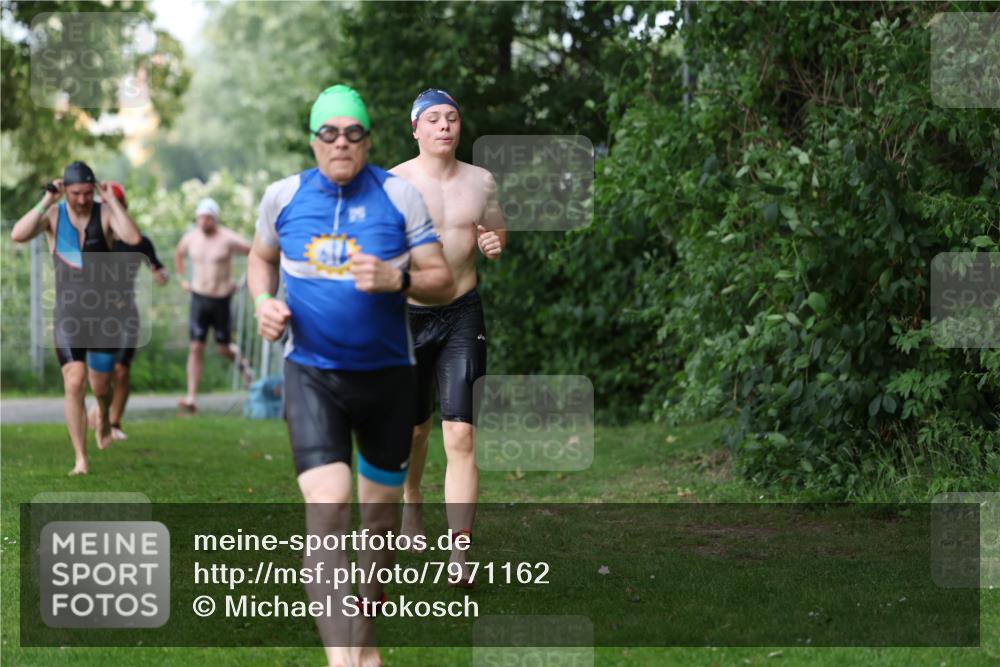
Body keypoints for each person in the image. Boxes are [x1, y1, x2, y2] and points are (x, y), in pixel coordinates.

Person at [249, 84, 453, 667]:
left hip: (388, 379)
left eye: (353, 133)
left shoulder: (400, 196)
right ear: (313, 141)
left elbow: (444, 278)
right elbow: (260, 258)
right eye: (329, 133)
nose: (341, 143)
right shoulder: (282, 198)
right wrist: (265, 301)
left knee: (379, 521)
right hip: (313, 376)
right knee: (329, 508)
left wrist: (399, 281)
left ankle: (364, 614)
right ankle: (350, 659)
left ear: (368, 141)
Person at [389, 89, 506, 585]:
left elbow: (497, 233)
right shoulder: (393, 183)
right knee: (415, 431)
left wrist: (494, 241)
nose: (444, 127)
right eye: (433, 119)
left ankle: (460, 555)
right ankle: (412, 496)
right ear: (415, 129)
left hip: (462, 314)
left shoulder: (481, 181)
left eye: (452, 119)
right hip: (409, 318)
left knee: (460, 434)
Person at [10, 161, 142, 474]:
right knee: (74, 381)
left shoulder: (106, 214)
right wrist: (46, 200)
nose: (82, 200)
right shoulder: (54, 217)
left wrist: (109, 199)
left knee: (100, 387)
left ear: (93, 189)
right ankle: (81, 457)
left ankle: (105, 416)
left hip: (103, 317)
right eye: (75, 193)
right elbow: (18, 234)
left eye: (86, 193)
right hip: (68, 315)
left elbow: (133, 238)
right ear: (65, 191)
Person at [86, 182, 170, 440]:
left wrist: (161, 274)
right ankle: (99, 409)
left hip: (126, 313)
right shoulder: (96, 238)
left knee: (122, 370)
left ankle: (115, 423)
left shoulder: (138, 241)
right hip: (100, 314)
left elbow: (158, 268)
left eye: (116, 203)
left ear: (123, 206)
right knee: (104, 372)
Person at [173, 198, 253, 412]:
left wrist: (245, 281)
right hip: (199, 297)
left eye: (208, 218)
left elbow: (254, 253)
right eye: (200, 217)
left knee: (224, 348)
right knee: (195, 346)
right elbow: (178, 254)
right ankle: (191, 397)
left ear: (215, 219)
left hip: (222, 299)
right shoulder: (190, 238)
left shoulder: (228, 239)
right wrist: (182, 279)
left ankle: (244, 367)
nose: (203, 222)